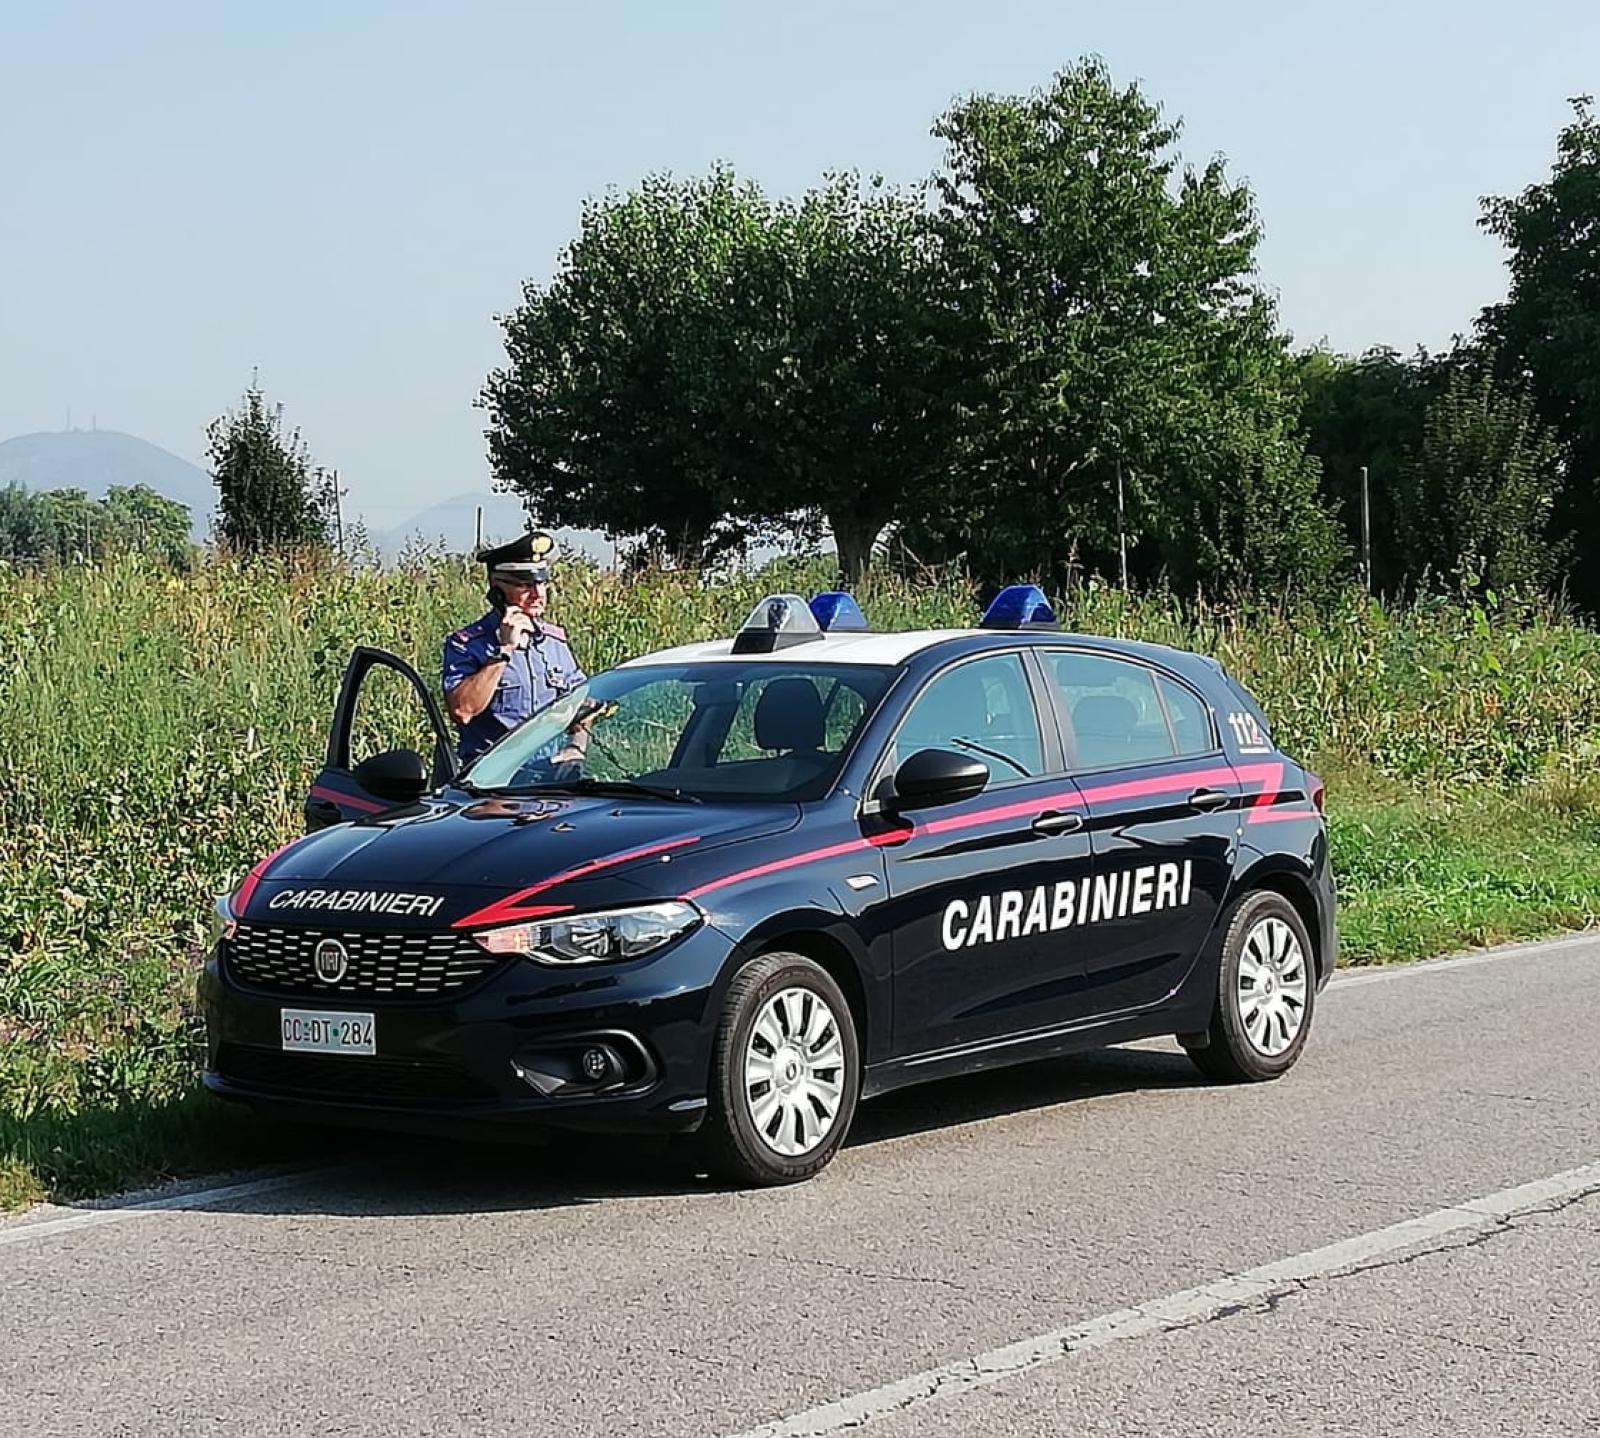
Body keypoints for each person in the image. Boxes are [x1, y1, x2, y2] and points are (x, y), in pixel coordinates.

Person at [441, 530, 589, 763]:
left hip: (548, 779)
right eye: (525, 585)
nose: (538, 594)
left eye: (542, 583)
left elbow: (583, 702)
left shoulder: (554, 643)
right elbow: (463, 710)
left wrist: (576, 746)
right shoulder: (467, 645)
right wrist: (504, 650)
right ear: (497, 589)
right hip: (492, 782)